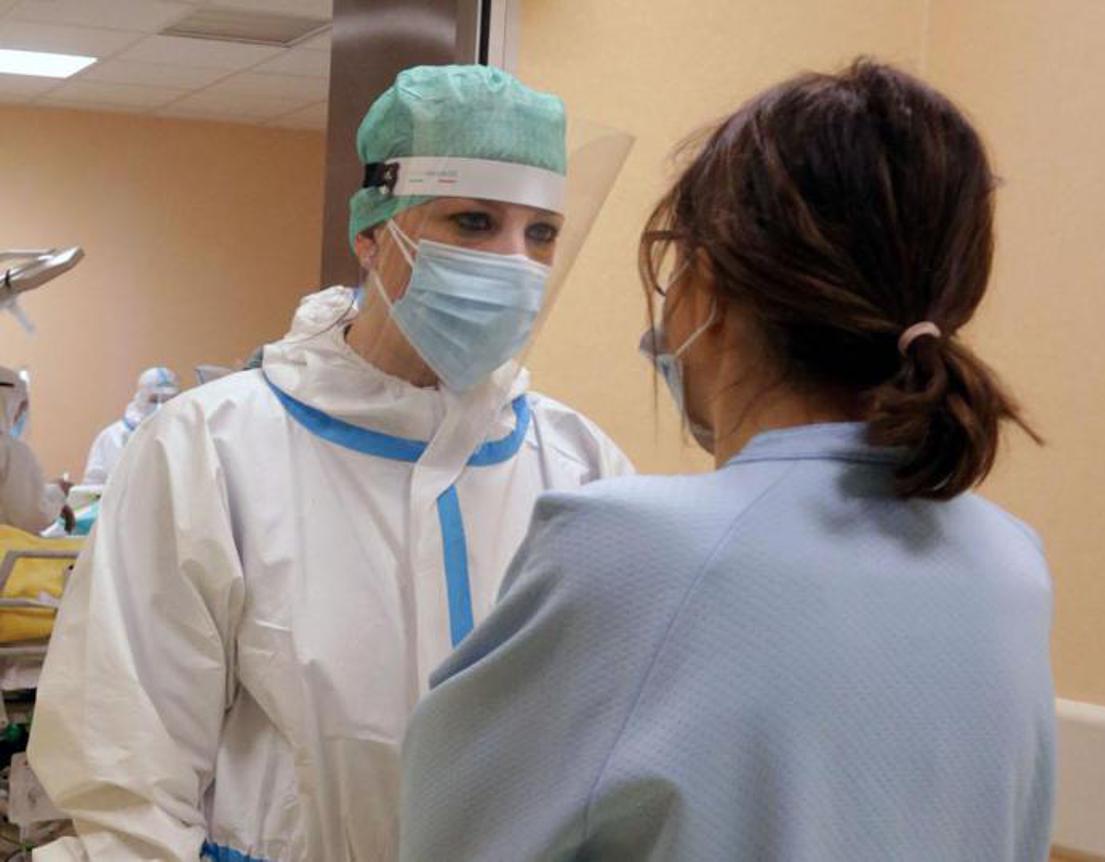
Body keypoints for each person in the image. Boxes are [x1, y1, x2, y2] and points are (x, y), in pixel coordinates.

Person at [397, 60, 1055, 861]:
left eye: (541, 234)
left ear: (705, 286)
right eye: (475, 223)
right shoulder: (1012, 565)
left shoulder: (630, 549)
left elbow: (448, 838)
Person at [29, 65, 632, 861]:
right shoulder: (211, 449)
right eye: (474, 221)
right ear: (372, 237)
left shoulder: (579, 466)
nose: (514, 262)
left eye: (542, 234)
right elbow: (127, 771)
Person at [81, 366, 180, 486]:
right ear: (141, 398)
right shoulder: (112, 437)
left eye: (169, 400)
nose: (161, 407)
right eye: (154, 400)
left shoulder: (183, 436)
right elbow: (92, 486)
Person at [0, 366, 70, 533]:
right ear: (10, 403)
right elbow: (32, 516)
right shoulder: (11, 451)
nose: (21, 415)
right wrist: (57, 493)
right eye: (21, 407)